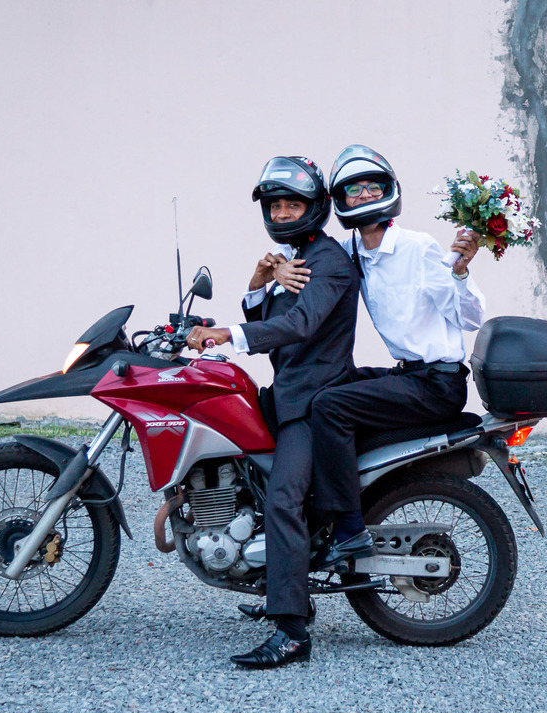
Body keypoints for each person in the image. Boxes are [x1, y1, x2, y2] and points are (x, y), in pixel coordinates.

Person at [262, 145, 484, 570]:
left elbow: (469, 318)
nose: (364, 194)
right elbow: (308, 261)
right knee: (331, 386)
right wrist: (276, 270)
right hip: (409, 374)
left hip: (437, 383)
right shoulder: (351, 250)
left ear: (389, 190)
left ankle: (348, 529)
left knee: (331, 405)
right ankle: (321, 505)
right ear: (340, 199)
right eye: (354, 189)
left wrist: (459, 272)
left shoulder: (418, 247)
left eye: (373, 186)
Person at [185, 155, 359, 669]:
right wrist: (259, 280)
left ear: (315, 206)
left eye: (291, 205)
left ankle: (292, 633)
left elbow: (299, 324)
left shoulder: (327, 262)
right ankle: (281, 579)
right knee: (248, 473)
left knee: (283, 499)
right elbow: (270, 314)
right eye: (275, 205)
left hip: (313, 399)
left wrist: (227, 335)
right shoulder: (294, 257)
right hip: (287, 392)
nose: (281, 213)